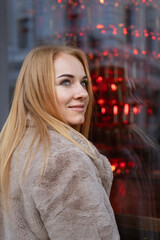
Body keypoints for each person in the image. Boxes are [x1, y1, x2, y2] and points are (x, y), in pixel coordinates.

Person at [0, 45, 120, 240]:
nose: (83, 93)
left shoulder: (13, 146)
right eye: (66, 82)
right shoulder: (65, 159)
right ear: (38, 90)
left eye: (83, 82)